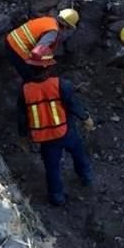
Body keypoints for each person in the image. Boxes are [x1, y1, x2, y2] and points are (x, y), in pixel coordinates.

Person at [16, 63, 95, 206]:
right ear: (48, 68)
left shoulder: (25, 90)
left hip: (45, 138)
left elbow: (22, 117)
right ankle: (86, 176)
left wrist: (23, 137)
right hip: (65, 131)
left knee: (52, 168)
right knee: (79, 153)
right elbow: (73, 105)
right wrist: (85, 118)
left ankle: (56, 197)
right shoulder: (61, 85)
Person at [5, 9, 80, 81]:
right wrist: (42, 66)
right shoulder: (52, 32)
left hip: (11, 38)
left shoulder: (48, 20)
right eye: (68, 28)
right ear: (66, 26)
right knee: (30, 78)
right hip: (16, 50)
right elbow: (38, 52)